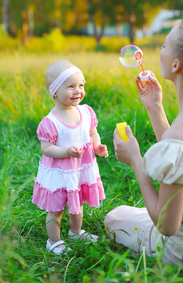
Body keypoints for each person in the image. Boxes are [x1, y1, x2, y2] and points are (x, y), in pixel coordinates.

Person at [104, 16, 183, 266]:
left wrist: (136, 160)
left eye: (164, 45)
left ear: (176, 64)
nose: (159, 51)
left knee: (115, 217)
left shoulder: (180, 136)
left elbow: (166, 225)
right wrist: (155, 107)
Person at [32, 60, 108, 256]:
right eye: (71, 86)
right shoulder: (51, 122)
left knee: (78, 204)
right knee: (56, 210)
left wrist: (97, 145)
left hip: (80, 168)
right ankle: (54, 241)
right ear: (55, 91)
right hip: (60, 172)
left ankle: (75, 232)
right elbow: (47, 148)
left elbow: (92, 132)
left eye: (81, 85)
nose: (78, 91)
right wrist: (66, 152)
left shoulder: (85, 111)